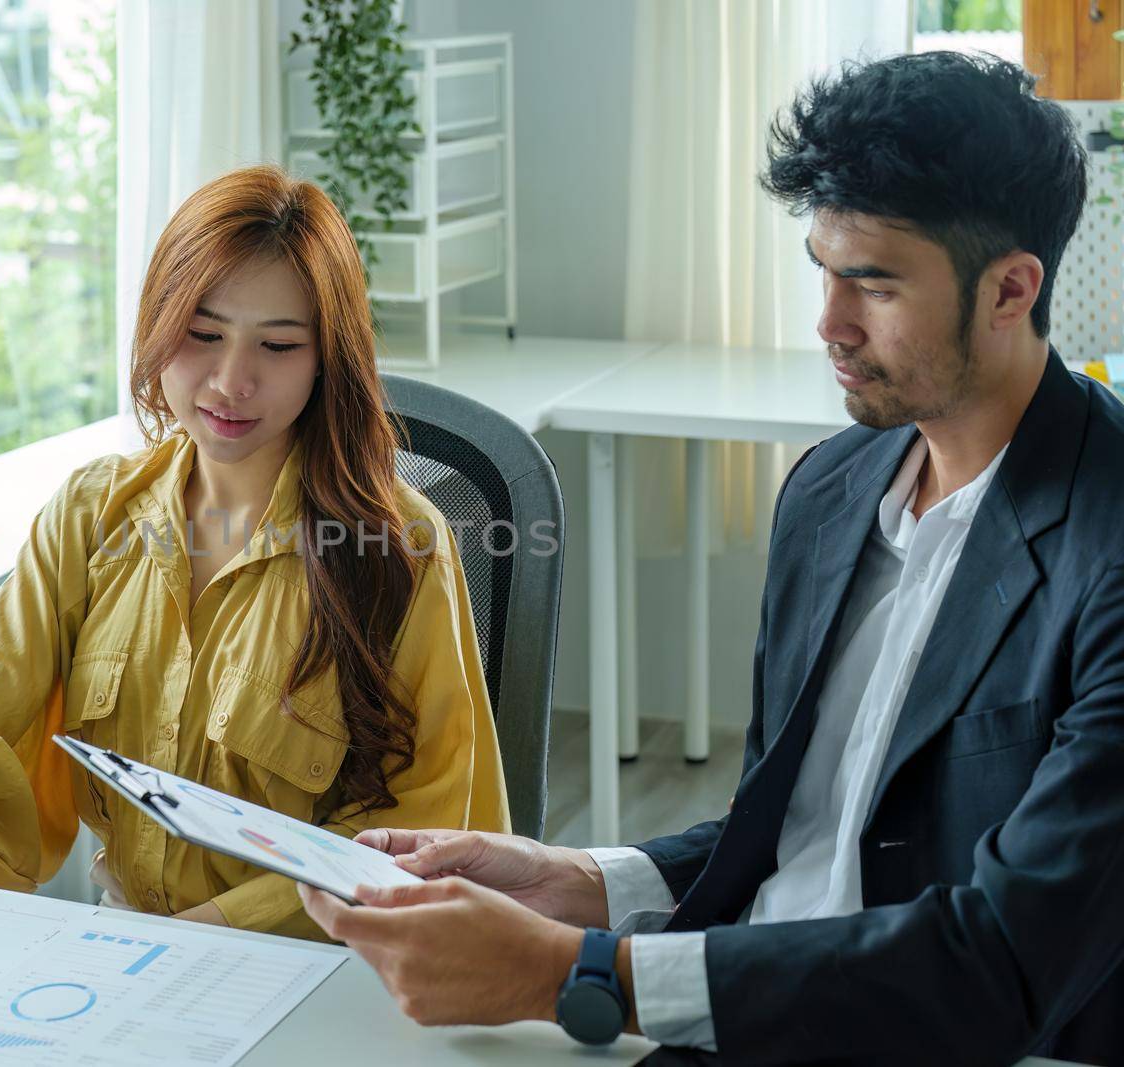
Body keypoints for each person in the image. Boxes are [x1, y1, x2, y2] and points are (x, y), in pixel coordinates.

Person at [301, 52, 1124, 1064]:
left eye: (871, 283)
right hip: (743, 1017)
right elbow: (804, 824)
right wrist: (583, 881)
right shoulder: (831, 489)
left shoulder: (1107, 543)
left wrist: (569, 972)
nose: (828, 323)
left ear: (1010, 290)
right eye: (821, 270)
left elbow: (1004, 958)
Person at [0, 164, 509, 946]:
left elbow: (420, 830)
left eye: (277, 345)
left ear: (325, 359)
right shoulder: (92, 514)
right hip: (129, 951)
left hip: (314, 968)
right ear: (159, 325)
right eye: (203, 335)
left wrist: (198, 937)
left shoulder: (398, 548)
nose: (231, 381)